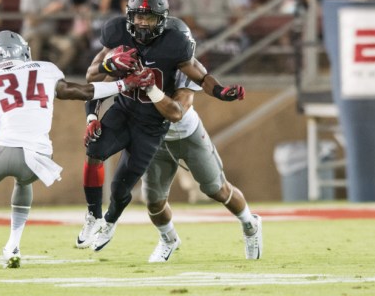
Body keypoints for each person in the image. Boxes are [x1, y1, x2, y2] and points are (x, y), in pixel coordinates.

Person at [0, 30, 156, 272]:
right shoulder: (45, 69)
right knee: (23, 182)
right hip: (38, 158)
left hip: (3, 150)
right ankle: (13, 247)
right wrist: (124, 84)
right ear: (24, 51)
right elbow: (82, 91)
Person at [75, 0, 245, 251]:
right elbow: (95, 79)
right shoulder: (119, 36)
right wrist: (93, 110)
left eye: (150, 18)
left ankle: (109, 221)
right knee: (94, 149)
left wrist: (221, 92)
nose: (143, 23)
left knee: (125, 186)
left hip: (156, 125)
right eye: (139, 17)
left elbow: (181, 105)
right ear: (129, 16)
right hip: (125, 111)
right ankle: (94, 216)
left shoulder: (177, 52)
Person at [85, 71, 262, 262]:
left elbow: (176, 112)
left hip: (188, 135)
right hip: (154, 138)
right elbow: (99, 79)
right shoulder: (138, 60)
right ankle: (168, 239)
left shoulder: (182, 64)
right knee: (153, 200)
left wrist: (151, 88)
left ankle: (250, 224)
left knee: (216, 188)